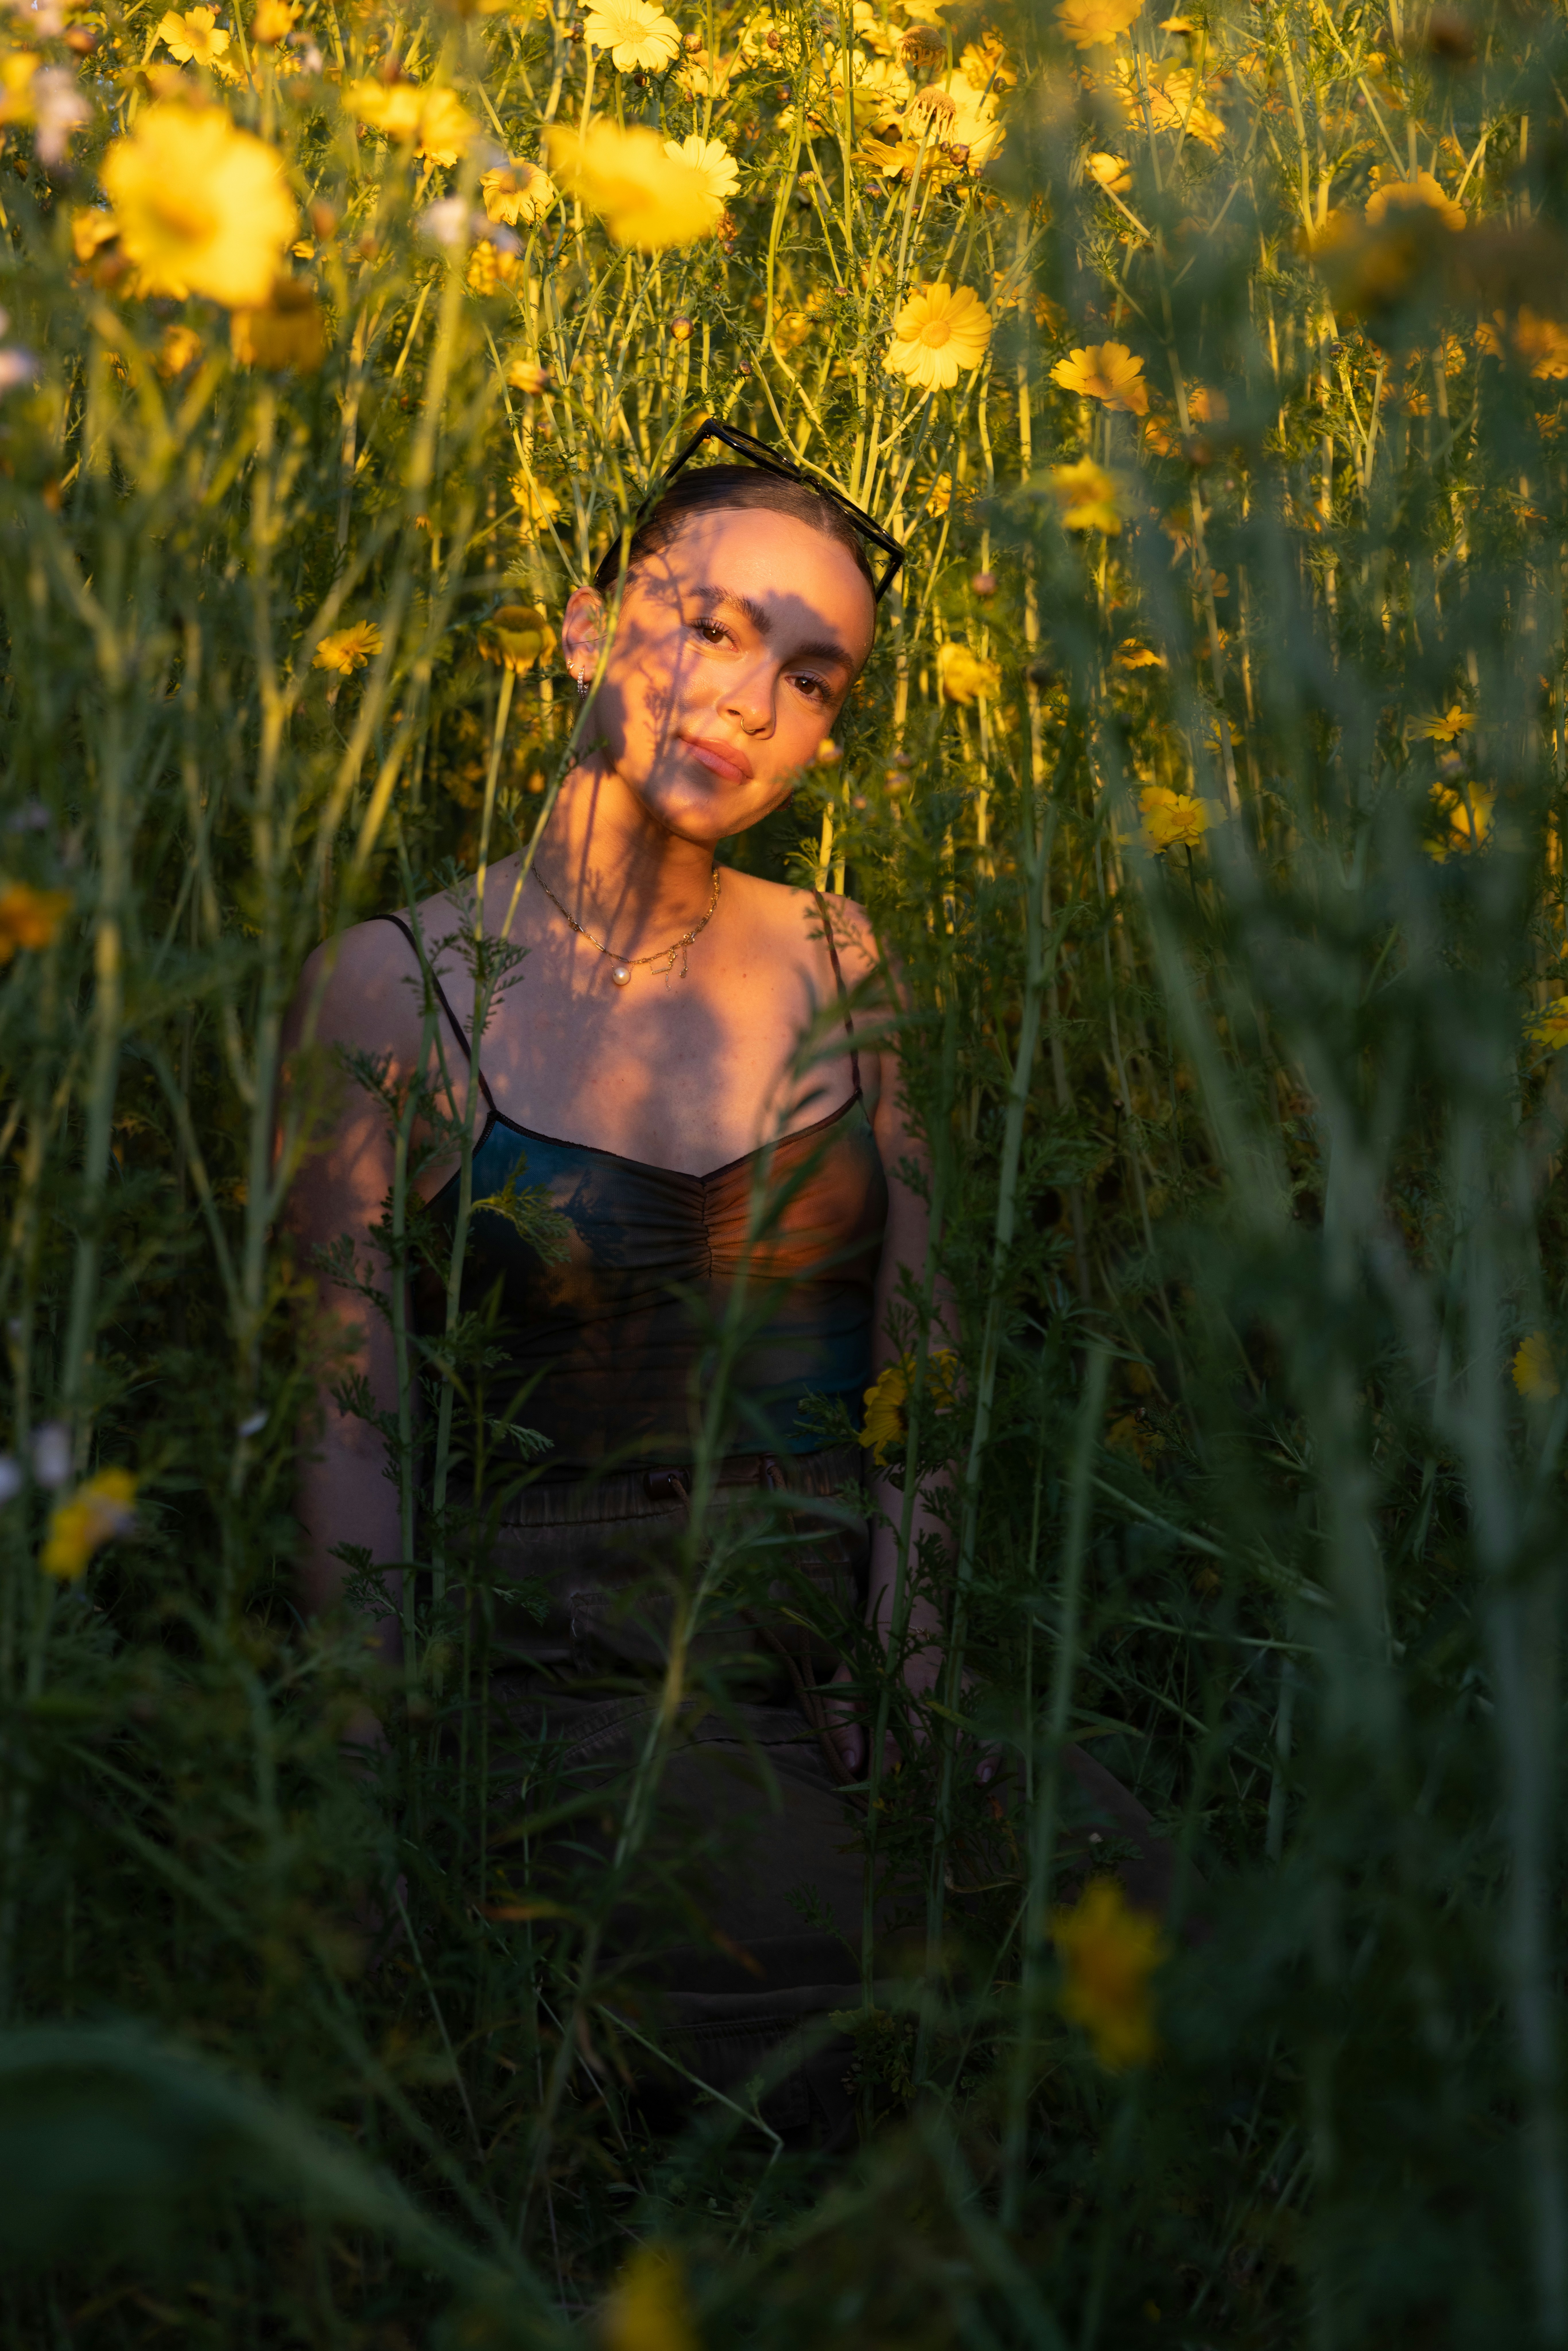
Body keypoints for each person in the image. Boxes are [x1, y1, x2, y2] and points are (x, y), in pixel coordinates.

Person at [283, 441, 1177, 2140]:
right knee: (813, 2039)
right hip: (573, 1638)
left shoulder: (847, 956)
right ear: (580, 631)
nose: (750, 701)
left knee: (1176, 1957)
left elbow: (924, 1357)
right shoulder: (391, 993)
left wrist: (906, 1673)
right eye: (709, 628)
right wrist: (363, 1781)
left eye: (811, 674)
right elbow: (352, 1431)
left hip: (837, 1605)